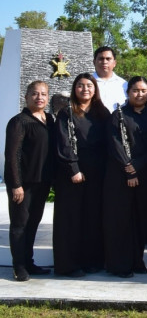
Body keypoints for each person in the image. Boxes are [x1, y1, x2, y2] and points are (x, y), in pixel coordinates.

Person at [54, 72, 111, 277]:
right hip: (73, 174)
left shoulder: (102, 113)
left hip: (97, 173)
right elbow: (64, 143)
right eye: (80, 85)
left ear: (95, 89)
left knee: (92, 218)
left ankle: (92, 261)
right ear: (74, 89)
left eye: (89, 85)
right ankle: (69, 265)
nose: (85, 89)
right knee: (71, 219)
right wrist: (74, 169)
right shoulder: (66, 113)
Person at [103, 76, 147, 278]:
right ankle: (120, 264)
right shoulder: (117, 115)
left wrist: (138, 166)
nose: (139, 94)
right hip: (120, 174)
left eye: (143, 90)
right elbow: (115, 143)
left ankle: (137, 260)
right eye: (135, 90)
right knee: (122, 220)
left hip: (146, 174)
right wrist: (129, 167)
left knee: (141, 220)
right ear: (128, 92)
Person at [5, 81, 54, 281]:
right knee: (20, 225)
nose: (39, 97)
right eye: (34, 93)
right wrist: (16, 185)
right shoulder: (19, 121)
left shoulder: (49, 119)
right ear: (26, 97)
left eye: (43, 94)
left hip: (42, 183)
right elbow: (12, 155)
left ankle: (29, 261)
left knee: (33, 223)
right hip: (23, 185)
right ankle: (19, 266)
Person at [92, 46, 127, 111]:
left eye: (108, 59)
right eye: (101, 59)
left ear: (114, 63)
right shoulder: (87, 83)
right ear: (94, 62)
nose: (104, 62)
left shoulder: (124, 85)